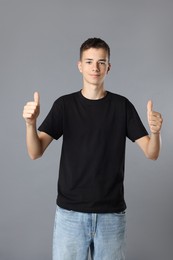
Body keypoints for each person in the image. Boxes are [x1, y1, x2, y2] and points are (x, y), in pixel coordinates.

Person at [23, 38, 163, 260]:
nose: (95, 68)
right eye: (89, 62)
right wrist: (30, 125)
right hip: (70, 215)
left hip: (111, 216)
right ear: (80, 65)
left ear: (109, 67)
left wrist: (156, 132)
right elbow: (35, 151)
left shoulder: (122, 106)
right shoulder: (64, 106)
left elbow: (152, 152)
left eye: (101, 62)